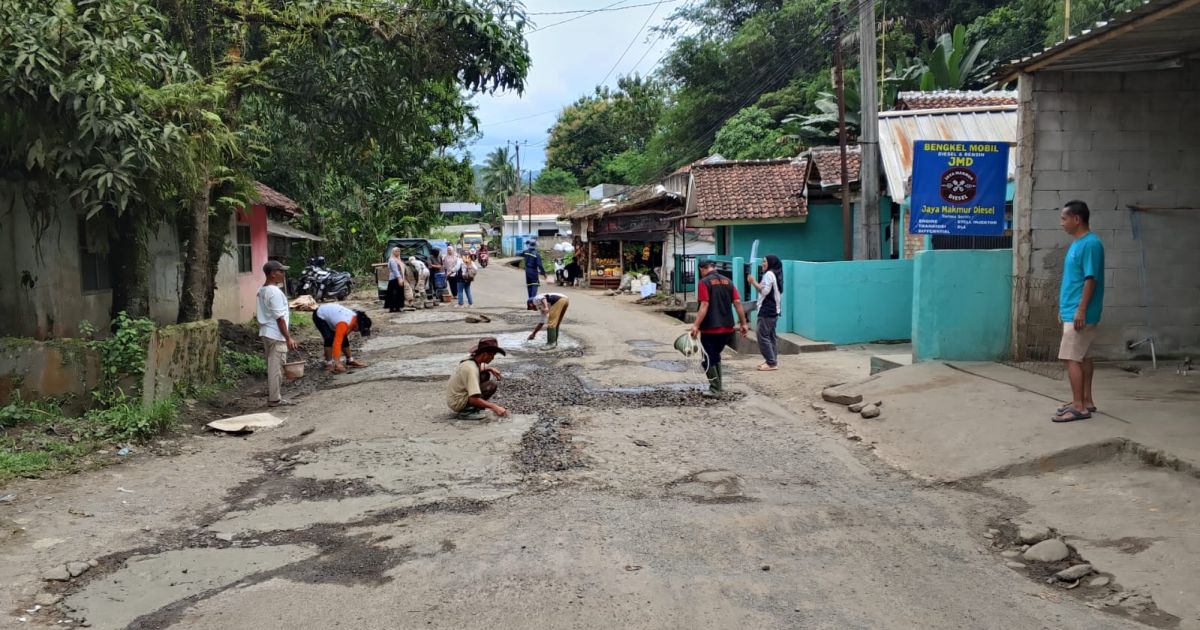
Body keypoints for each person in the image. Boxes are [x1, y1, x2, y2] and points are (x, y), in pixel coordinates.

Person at [1053, 200, 1105, 423]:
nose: (1061, 223)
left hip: (1080, 312)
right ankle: (1086, 400)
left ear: (1077, 219)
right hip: (1072, 310)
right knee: (1083, 356)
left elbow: (1090, 280)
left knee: (1071, 358)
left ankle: (1078, 407)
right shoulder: (1078, 243)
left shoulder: (1090, 244)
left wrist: (1080, 310)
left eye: (1064, 218)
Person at [690, 259, 749, 397]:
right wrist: (743, 323)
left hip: (710, 328)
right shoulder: (728, 281)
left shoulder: (704, 282)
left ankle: (715, 389)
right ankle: (718, 386)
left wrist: (696, 325)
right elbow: (738, 303)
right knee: (715, 356)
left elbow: (704, 305)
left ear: (702, 269)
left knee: (708, 359)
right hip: (727, 327)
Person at [256, 260, 299, 407]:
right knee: (276, 369)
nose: (283, 274)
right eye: (281, 271)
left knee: (273, 366)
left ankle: (275, 397)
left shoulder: (262, 290)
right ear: (273, 274)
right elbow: (280, 319)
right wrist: (288, 338)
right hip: (276, 334)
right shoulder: (274, 292)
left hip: (267, 332)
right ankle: (274, 399)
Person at [446, 337, 508, 419]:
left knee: (485, 374)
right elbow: (473, 399)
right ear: (485, 354)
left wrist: (489, 368)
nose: (493, 358)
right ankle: (466, 412)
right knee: (491, 385)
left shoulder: (470, 358)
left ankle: (475, 407)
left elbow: (477, 368)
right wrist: (494, 407)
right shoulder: (471, 369)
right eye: (492, 355)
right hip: (457, 402)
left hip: (454, 397)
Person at [746, 255, 784, 371]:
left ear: (771, 263)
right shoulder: (775, 274)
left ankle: (771, 362)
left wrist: (753, 282)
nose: (762, 264)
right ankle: (772, 361)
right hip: (774, 309)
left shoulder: (769, 274)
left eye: (765, 262)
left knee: (762, 335)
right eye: (762, 261)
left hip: (767, 310)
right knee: (771, 336)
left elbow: (765, 291)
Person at [312, 303, 372, 374]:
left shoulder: (355, 318)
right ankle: (329, 363)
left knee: (342, 336)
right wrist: (337, 363)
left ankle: (350, 360)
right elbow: (337, 343)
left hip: (333, 314)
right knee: (329, 338)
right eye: (359, 330)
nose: (357, 331)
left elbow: (344, 335)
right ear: (357, 325)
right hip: (320, 315)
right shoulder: (344, 322)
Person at [384, 247, 406, 313]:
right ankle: (391, 308)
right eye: (396, 251)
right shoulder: (392, 260)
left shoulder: (398, 259)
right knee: (393, 293)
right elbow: (395, 270)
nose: (398, 252)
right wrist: (399, 278)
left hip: (400, 278)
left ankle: (398, 307)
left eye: (399, 251)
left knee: (399, 293)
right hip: (394, 278)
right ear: (393, 252)